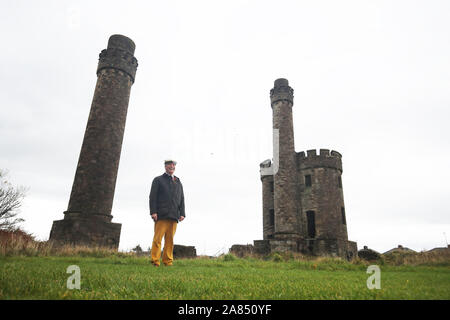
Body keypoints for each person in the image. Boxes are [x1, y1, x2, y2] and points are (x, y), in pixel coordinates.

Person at [149, 159, 185, 266]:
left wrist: (182, 213)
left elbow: (182, 198)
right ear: (165, 166)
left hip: (174, 216)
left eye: (173, 165)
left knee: (170, 241)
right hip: (161, 215)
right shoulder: (158, 180)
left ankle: (168, 262)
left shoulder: (178, 181)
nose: (172, 166)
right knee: (157, 239)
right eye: (169, 165)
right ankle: (155, 261)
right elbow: (152, 197)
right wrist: (153, 212)